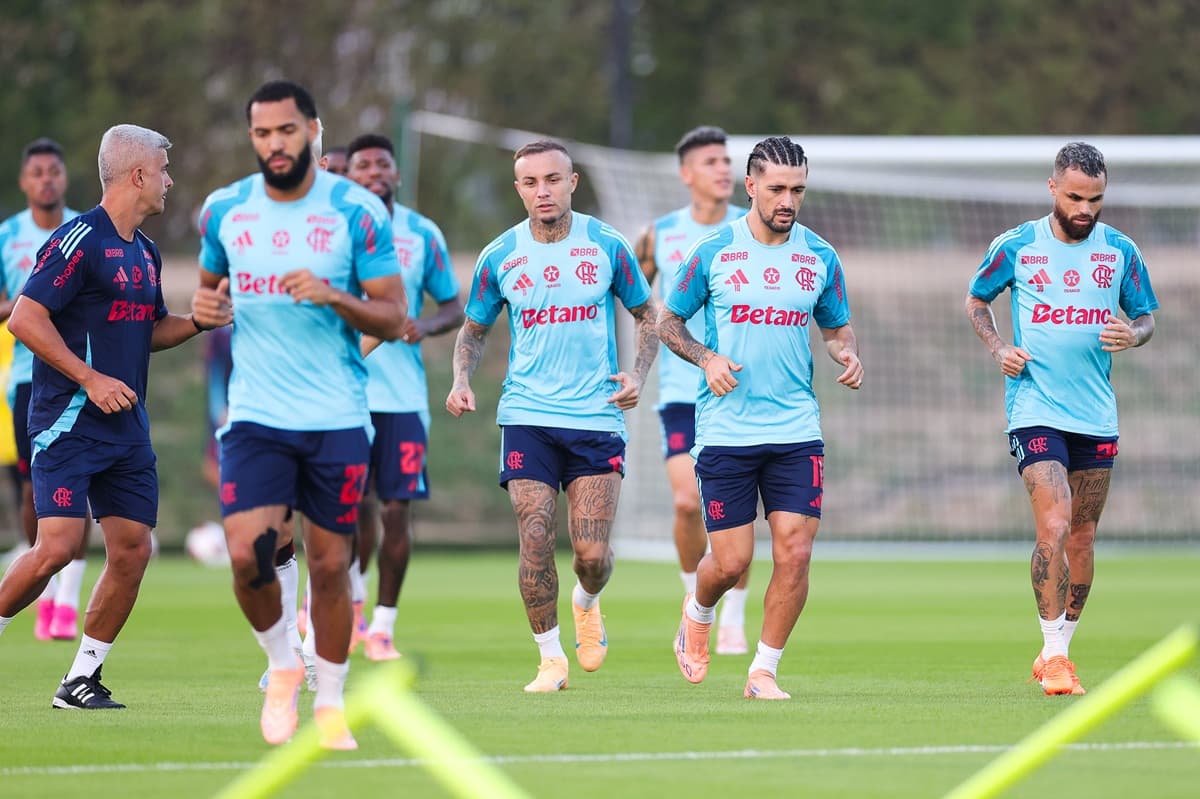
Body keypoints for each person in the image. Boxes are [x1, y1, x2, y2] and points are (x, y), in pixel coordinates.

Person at [193, 80, 406, 749]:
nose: (275, 144)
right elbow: (209, 292)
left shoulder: (355, 211)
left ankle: (331, 703)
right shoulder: (225, 210)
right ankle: (284, 662)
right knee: (245, 555)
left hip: (336, 415)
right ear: (251, 139)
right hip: (257, 415)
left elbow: (394, 315)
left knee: (330, 566)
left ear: (312, 131)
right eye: (262, 134)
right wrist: (206, 309)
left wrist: (334, 295)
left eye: (286, 130)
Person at [0, 124, 221, 708]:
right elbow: (24, 318)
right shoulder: (79, 240)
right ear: (138, 175)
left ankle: (80, 679)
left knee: (132, 550)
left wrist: (199, 321)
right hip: (68, 422)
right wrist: (90, 379)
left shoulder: (145, 251)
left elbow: (150, 330)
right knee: (56, 547)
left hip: (126, 429)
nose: (170, 181)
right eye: (164, 171)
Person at [446, 140, 659, 693]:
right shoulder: (501, 255)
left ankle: (587, 600)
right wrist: (462, 380)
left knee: (591, 554)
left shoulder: (607, 245)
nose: (542, 191)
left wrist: (638, 375)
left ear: (572, 182)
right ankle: (550, 660)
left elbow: (648, 314)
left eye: (552, 179)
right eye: (530, 182)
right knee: (535, 534)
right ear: (518, 188)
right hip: (527, 415)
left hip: (596, 417)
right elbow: (473, 330)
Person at [658, 136, 862, 700]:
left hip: (796, 428)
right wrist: (707, 358)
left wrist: (846, 352)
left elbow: (836, 328)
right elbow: (668, 323)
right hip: (727, 429)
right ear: (750, 186)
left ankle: (763, 671)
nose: (787, 200)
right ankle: (698, 612)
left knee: (795, 551)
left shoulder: (820, 256)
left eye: (797, 189)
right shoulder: (713, 251)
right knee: (731, 562)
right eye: (776, 189)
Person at [965, 142, 1158, 697]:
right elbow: (977, 301)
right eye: (1074, 197)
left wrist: (1133, 334)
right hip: (1035, 408)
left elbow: (1146, 318)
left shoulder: (1120, 250)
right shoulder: (1017, 245)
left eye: (1095, 199)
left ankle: (1059, 647)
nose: (1084, 209)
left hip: (1096, 413)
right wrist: (999, 347)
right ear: (1053, 188)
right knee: (1053, 524)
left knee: (1083, 537)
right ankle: (1053, 657)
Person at [345, 132, 463, 661]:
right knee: (351, 508)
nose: (373, 172)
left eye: (382, 164)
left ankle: (384, 627)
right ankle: (351, 605)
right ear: (349, 175)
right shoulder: (334, 229)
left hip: (403, 399)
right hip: (344, 394)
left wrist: (426, 325)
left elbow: (452, 305)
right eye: (363, 165)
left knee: (397, 512)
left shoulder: (421, 233)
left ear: (396, 173)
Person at [634, 126, 751, 655]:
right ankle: (694, 600)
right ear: (686, 174)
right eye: (711, 162)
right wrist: (636, 369)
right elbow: (638, 304)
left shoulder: (751, 228)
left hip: (737, 390)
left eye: (726, 161)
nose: (723, 169)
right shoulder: (658, 235)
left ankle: (734, 620)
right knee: (687, 503)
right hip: (682, 391)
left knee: (737, 513)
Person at [0, 138, 89, 641]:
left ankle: (68, 601)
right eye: (37, 173)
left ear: (64, 176)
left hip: (79, 374)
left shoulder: (85, 229)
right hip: (28, 381)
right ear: (24, 181)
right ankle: (46, 585)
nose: (46, 180)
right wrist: (30, 301)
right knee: (35, 493)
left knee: (82, 488)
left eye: (53, 171)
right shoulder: (7, 236)